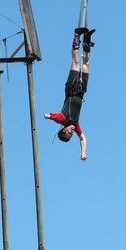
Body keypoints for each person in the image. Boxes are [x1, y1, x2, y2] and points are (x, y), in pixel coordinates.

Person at [44, 27, 95, 160]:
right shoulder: (76, 124)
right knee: (86, 65)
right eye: (71, 134)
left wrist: (48, 116)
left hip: (71, 89)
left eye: (68, 132)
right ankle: (87, 40)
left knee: (76, 62)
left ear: (63, 129)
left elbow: (53, 116)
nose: (72, 132)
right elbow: (83, 138)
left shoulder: (63, 119)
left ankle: (77, 35)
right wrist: (83, 152)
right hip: (81, 91)